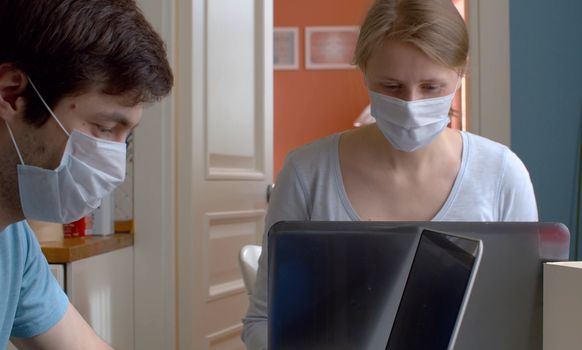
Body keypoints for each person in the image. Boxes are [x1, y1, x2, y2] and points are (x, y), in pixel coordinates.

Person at [242, 0, 537, 348]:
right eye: (391, 87)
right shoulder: (307, 173)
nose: (411, 105)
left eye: (431, 88)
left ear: (460, 72)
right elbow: (261, 323)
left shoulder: (502, 174)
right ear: (364, 72)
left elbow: (526, 321)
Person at [0, 0, 173, 348]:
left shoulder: (13, 240)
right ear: (11, 94)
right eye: (105, 127)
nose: (116, 167)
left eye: (128, 138)